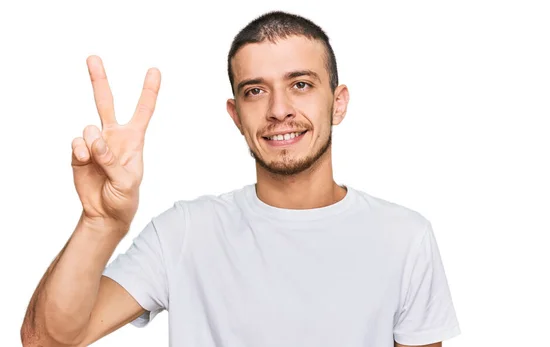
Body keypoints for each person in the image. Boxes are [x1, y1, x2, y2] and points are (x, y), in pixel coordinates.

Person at [21, 10, 460, 347]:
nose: (278, 109)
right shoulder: (185, 232)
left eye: (301, 84)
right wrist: (101, 223)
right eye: (255, 90)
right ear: (235, 114)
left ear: (338, 103)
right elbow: (47, 339)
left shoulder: (404, 237)